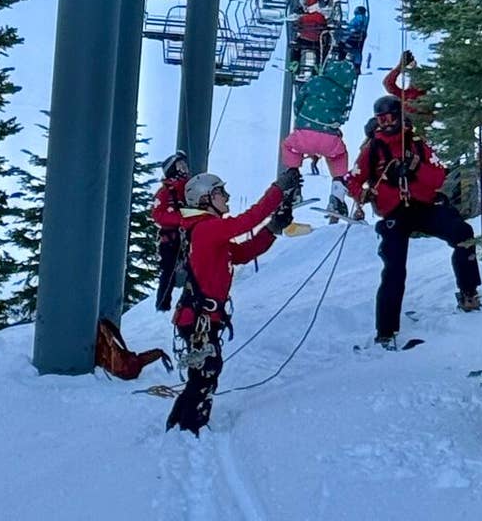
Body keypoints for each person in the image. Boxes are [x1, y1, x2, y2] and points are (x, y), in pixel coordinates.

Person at [166, 166, 301, 435]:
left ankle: (181, 425)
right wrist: (277, 190)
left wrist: (272, 229)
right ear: (205, 199)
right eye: (220, 193)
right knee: (205, 373)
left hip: (201, 317)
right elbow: (245, 222)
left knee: (203, 373)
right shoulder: (206, 228)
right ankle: (190, 428)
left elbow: (241, 253)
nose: (226, 197)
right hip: (200, 318)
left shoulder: (207, 231)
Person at [346, 94, 481, 349]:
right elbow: (353, 178)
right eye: (380, 119)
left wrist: (416, 167)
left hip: (424, 206)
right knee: (394, 269)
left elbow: (439, 175)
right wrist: (360, 193)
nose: (386, 124)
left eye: (389, 118)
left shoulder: (417, 142)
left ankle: (469, 293)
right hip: (394, 212)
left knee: (463, 233)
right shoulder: (372, 148)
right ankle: (385, 330)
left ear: (399, 116)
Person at [280, 54, 358, 216]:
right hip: (329, 139)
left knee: (289, 147)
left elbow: (298, 102)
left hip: (304, 134)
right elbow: (342, 116)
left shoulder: (314, 82)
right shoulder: (343, 93)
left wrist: (300, 117)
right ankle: (336, 196)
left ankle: (293, 185)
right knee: (338, 156)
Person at [151, 150, 191, 312]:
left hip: (188, 237)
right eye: (181, 165)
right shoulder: (165, 192)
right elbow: (157, 214)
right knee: (168, 271)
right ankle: (163, 305)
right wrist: (180, 218)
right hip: (171, 239)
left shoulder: (189, 188)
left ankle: (189, 301)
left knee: (193, 268)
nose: (185, 168)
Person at [293, 0, 329, 78]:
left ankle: (295, 63)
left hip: (304, 40)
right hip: (316, 41)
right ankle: (318, 66)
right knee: (322, 49)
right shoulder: (320, 17)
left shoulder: (303, 17)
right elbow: (324, 28)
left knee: (296, 46)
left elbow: (298, 27)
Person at [339, 4, 369, 72]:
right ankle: (357, 66)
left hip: (352, 41)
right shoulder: (366, 19)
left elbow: (350, 29)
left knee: (341, 45)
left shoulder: (357, 19)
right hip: (359, 41)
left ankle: (340, 62)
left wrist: (343, 37)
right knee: (358, 52)